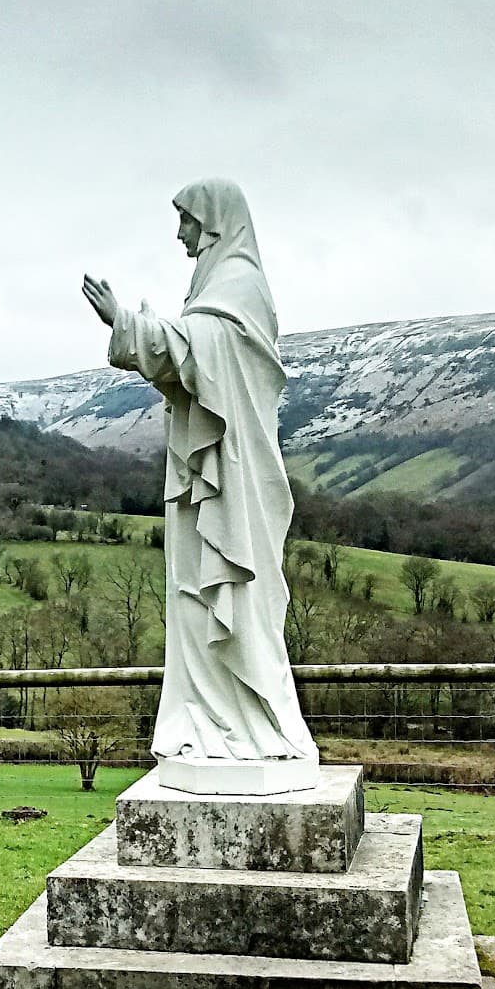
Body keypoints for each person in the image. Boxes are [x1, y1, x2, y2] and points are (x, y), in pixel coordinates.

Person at [81, 178, 316, 777]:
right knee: (194, 594)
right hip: (202, 473)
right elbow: (190, 365)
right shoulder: (214, 286)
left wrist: (129, 324)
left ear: (214, 222)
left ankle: (251, 728)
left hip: (235, 475)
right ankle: (207, 725)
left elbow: (200, 351)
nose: (180, 235)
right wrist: (144, 334)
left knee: (234, 593)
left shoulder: (241, 285)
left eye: (186, 220)